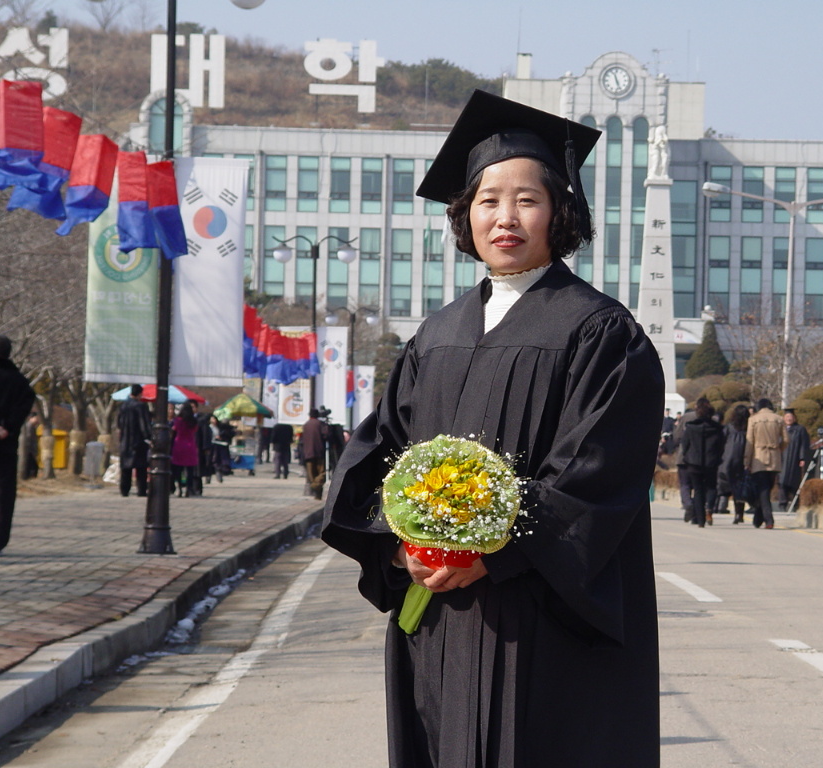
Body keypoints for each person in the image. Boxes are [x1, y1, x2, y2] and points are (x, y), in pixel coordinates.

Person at [320, 90, 664, 767]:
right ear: (464, 215)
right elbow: (382, 450)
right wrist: (400, 548)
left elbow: (597, 473)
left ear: (560, 211)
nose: (505, 217)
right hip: (440, 612)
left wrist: (491, 552)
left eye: (527, 199)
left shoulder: (599, 331)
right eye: (487, 200)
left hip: (537, 615)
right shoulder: (438, 334)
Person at [0, 335, 37, 553]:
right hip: (5, 443)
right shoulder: (19, 381)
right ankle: (0, 538)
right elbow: (25, 403)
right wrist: (8, 427)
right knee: (3, 492)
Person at [680, 397, 723, 527]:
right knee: (711, 487)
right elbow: (721, 445)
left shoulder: (691, 427)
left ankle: (700, 520)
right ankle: (709, 508)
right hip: (711, 462)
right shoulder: (717, 428)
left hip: (693, 463)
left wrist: (687, 457)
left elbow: (685, 445)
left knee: (698, 490)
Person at [745, 397, 786, 529]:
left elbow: (749, 442)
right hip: (774, 456)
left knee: (762, 489)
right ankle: (759, 518)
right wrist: (779, 449)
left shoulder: (753, 419)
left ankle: (769, 519)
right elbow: (786, 439)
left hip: (759, 456)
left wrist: (746, 460)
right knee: (766, 488)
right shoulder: (779, 419)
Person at [716, 403, 751, 524]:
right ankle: (739, 514)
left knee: (723, 485)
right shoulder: (748, 429)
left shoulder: (729, 428)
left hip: (727, 460)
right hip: (742, 460)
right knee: (739, 488)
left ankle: (720, 506)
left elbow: (721, 442)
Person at [117, 384, 152, 498]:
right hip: (138, 441)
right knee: (141, 468)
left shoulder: (123, 406)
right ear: (140, 393)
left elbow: (119, 423)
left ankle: (124, 490)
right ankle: (141, 490)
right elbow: (144, 424)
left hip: (125, 440)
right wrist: (149, 437)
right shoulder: (141, 406)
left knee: (126, 468)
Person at [778, 409, 811, 511]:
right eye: (787, 417)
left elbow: (804, 445)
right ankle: (782, 503)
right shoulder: (780, 429)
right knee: (781, 481)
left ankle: (795, 504)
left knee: (794, 481)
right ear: (783, 418)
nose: (789, 418)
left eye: (791, 417)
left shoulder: (800, 429)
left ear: (795, 418)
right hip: (782, 458)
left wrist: (802, 458)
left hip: (795, 458)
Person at [671, 404, 698, 522]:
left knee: (685, 484)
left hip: (683, 455)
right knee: (698, 485)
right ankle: (696, 508)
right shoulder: (706, 417)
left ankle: (688, 503)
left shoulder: (685, 417)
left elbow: (676, 436)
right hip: (699, 456)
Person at [170, 402, 200, 498]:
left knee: (178, 469)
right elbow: (195, 431)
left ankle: (179, 488)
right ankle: (189, 488)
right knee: (190, 470)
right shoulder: (193, 421)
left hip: (179, 445)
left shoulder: (177, 420)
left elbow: (174, 431)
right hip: (190, 445)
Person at [300, 409, 328, 500]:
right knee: (321, 473)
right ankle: (317, 488)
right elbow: (326, 435)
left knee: (311, 475)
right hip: (319, 452)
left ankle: (315, 489)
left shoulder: (306, 425)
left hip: (308, 453)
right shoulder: (320, 424)